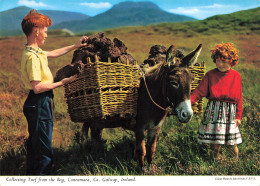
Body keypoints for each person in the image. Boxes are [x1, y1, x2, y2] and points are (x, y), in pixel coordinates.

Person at [20, 9, 88, 175]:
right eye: (45, 30)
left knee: (37, 143)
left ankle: (33, 175)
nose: (47, 34)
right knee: (43, 148)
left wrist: (75, 46)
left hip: (38, 102)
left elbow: (54, 53)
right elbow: (37, 88)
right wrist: (62, 82)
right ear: (36, 31)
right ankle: (43, 176)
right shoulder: (32, 57)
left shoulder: (34, 51)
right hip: (39, 102)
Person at [191, 43, 242, 160]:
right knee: (215, 142)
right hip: (214, 112)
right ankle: (215, 161)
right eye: (218, 61)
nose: (220, 64)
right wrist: (189, 103)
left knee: (232, 143)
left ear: (231, 61)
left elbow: (239, 98)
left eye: (224, 61)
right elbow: (199, 91)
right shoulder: (210, 75)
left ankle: (235, 162)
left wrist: (238, 116)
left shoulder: (236, 76)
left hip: (230, 114)